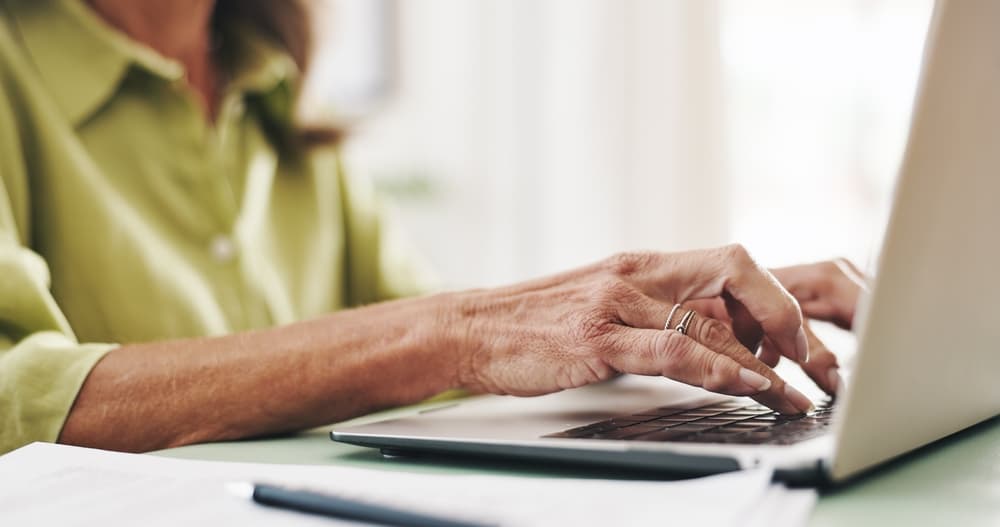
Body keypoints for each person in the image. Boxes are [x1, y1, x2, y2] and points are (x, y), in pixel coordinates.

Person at [0, 0, 866, 455]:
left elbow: (450, 346)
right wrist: (457, 336)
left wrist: (656, 316)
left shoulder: (269, 87)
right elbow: (13, 392)